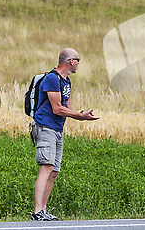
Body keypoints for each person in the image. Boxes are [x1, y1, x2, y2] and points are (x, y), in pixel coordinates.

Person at [30, 48, 99, 221]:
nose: (78, 63)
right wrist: (80, 117)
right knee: (46, 167)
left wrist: (80, 115)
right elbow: (57, 108)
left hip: (57, 129)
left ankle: (43, 210)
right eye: (78, 60)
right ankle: (37, 212)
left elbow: (65, 106)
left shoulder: (66, 81)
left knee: (54, 171)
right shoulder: (52, 79)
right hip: (46, 127)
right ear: (70, 61)